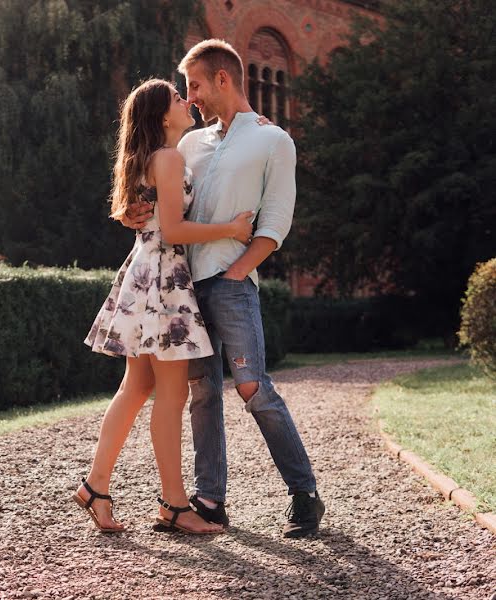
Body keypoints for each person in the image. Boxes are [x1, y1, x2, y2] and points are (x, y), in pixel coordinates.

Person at [123, 39, 324, 538]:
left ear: (222, 79)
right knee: (203, 393)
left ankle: (305, 495)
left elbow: (275, 224)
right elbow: (167, 207)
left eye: (193, 85)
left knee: (254, 389)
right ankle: (210, 499)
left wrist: (238, 272)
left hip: (232, 287)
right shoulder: (190, 143)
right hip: (182, 291)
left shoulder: (274, 141)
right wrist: (133, 212)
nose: (189, 97)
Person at [74, 78, 254, 534]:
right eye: (178, 98)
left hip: (145, 274)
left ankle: (96, 487)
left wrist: (252, 122)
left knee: (135, 389)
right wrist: (231, 230)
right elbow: (172, 231)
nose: (187, 100)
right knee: (170, 395)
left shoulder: (156, 157)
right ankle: (173, 504)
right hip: (163, 278)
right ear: (161, 116)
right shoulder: (169, 158)